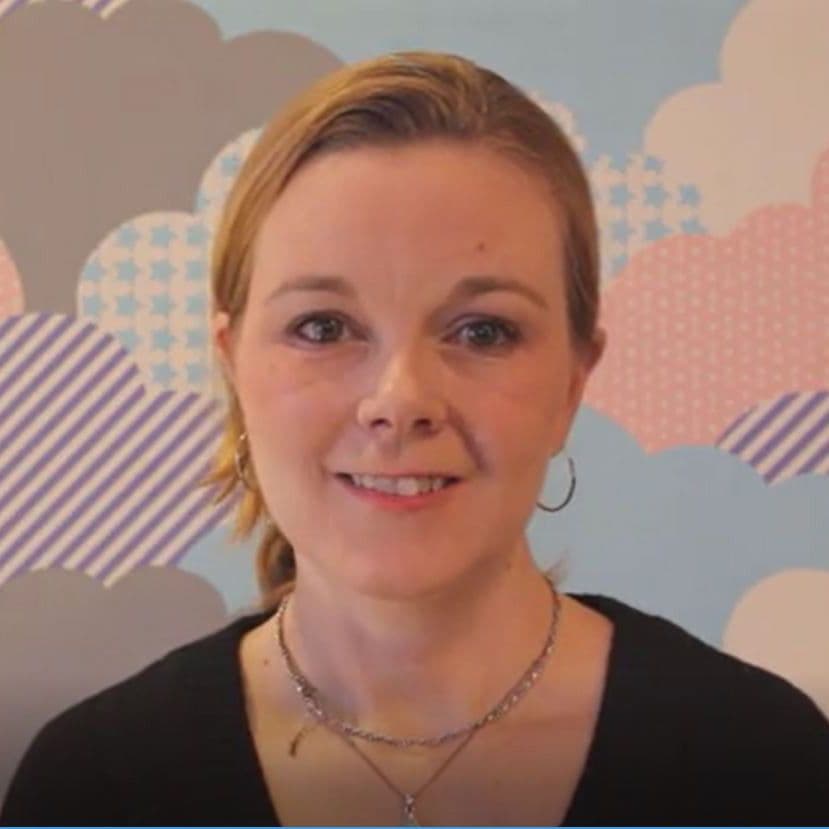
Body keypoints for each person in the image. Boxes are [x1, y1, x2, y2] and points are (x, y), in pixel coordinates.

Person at [2, 51, 828, 827]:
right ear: (233, 364)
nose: (399, 402)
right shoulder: (94, 785)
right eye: (323, 326)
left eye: (482, 330)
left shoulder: (762, 764)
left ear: (574, 380)